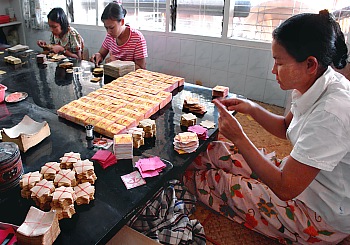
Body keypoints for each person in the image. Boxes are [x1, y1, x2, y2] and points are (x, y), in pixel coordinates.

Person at [183, 10, 350, 244]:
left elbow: (285, 188)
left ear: (310, 64)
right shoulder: (316, 82)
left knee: (213, 181)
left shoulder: (331, 113)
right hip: (300, 178)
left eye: (279, 62)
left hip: (318, 214)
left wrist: (240, 138)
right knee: (214, 152)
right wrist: (251, 107)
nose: (273, 70)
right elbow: (285, 127)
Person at [90, 2, 148, 69]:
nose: (108, 32)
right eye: (106, 28)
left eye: (112, 28)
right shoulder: (110, 36)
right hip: (113, 76)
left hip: (130, 78)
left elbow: (141, 68)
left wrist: (118, 63)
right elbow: (101, 54)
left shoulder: (137, 38)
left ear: (122, 22)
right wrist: (98, 56)